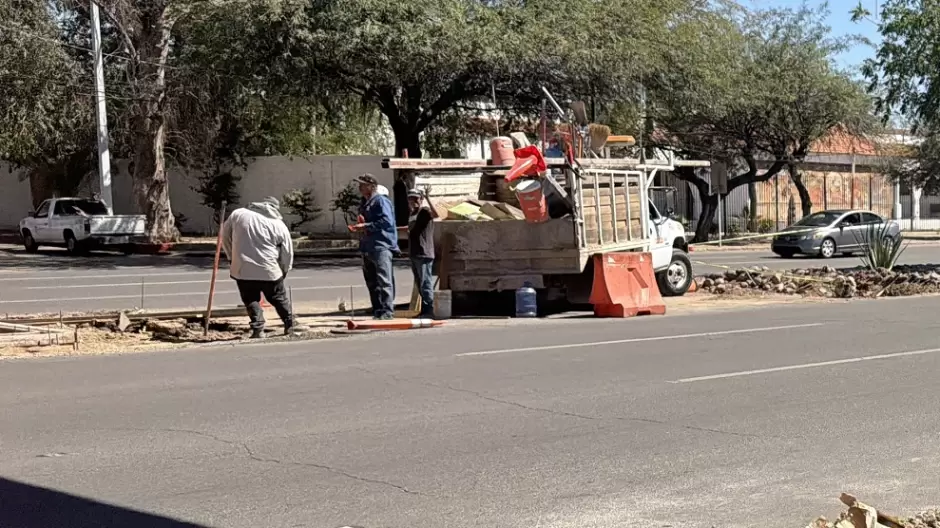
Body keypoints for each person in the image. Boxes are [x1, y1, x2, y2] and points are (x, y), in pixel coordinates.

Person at [222, 197, 302, 338]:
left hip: (242, 269)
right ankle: (290, 325)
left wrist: (231, 257)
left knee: (250, 299)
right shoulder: (278, 224)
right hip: (269, 269)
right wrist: (284, 270)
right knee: (279, 298)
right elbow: (287, 251)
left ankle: (258, 329)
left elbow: (225, 236)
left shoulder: (238, 214)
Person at [349, 174, 397, 319]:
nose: (360, 187)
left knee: (384, 280)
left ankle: (387, 311)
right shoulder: (364, 202)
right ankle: (377, 310)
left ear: (372, 186)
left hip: (381, 246)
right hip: (367, 246)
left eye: (363, 185)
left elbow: (387, 221)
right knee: (372, 281)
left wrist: (367, 225)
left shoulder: (380, 201)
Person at [405, 188, 437, 317]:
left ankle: (429, 310)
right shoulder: (413, 213)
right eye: (411, 199)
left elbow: (435, 214)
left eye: (416, 199)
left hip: (424, 253)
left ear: (421, 199)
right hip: (414, 252)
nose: (413, 201)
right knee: (419, 283)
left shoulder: (424, 211)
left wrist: (429, 198)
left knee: (425, 283)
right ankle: (424, 310)